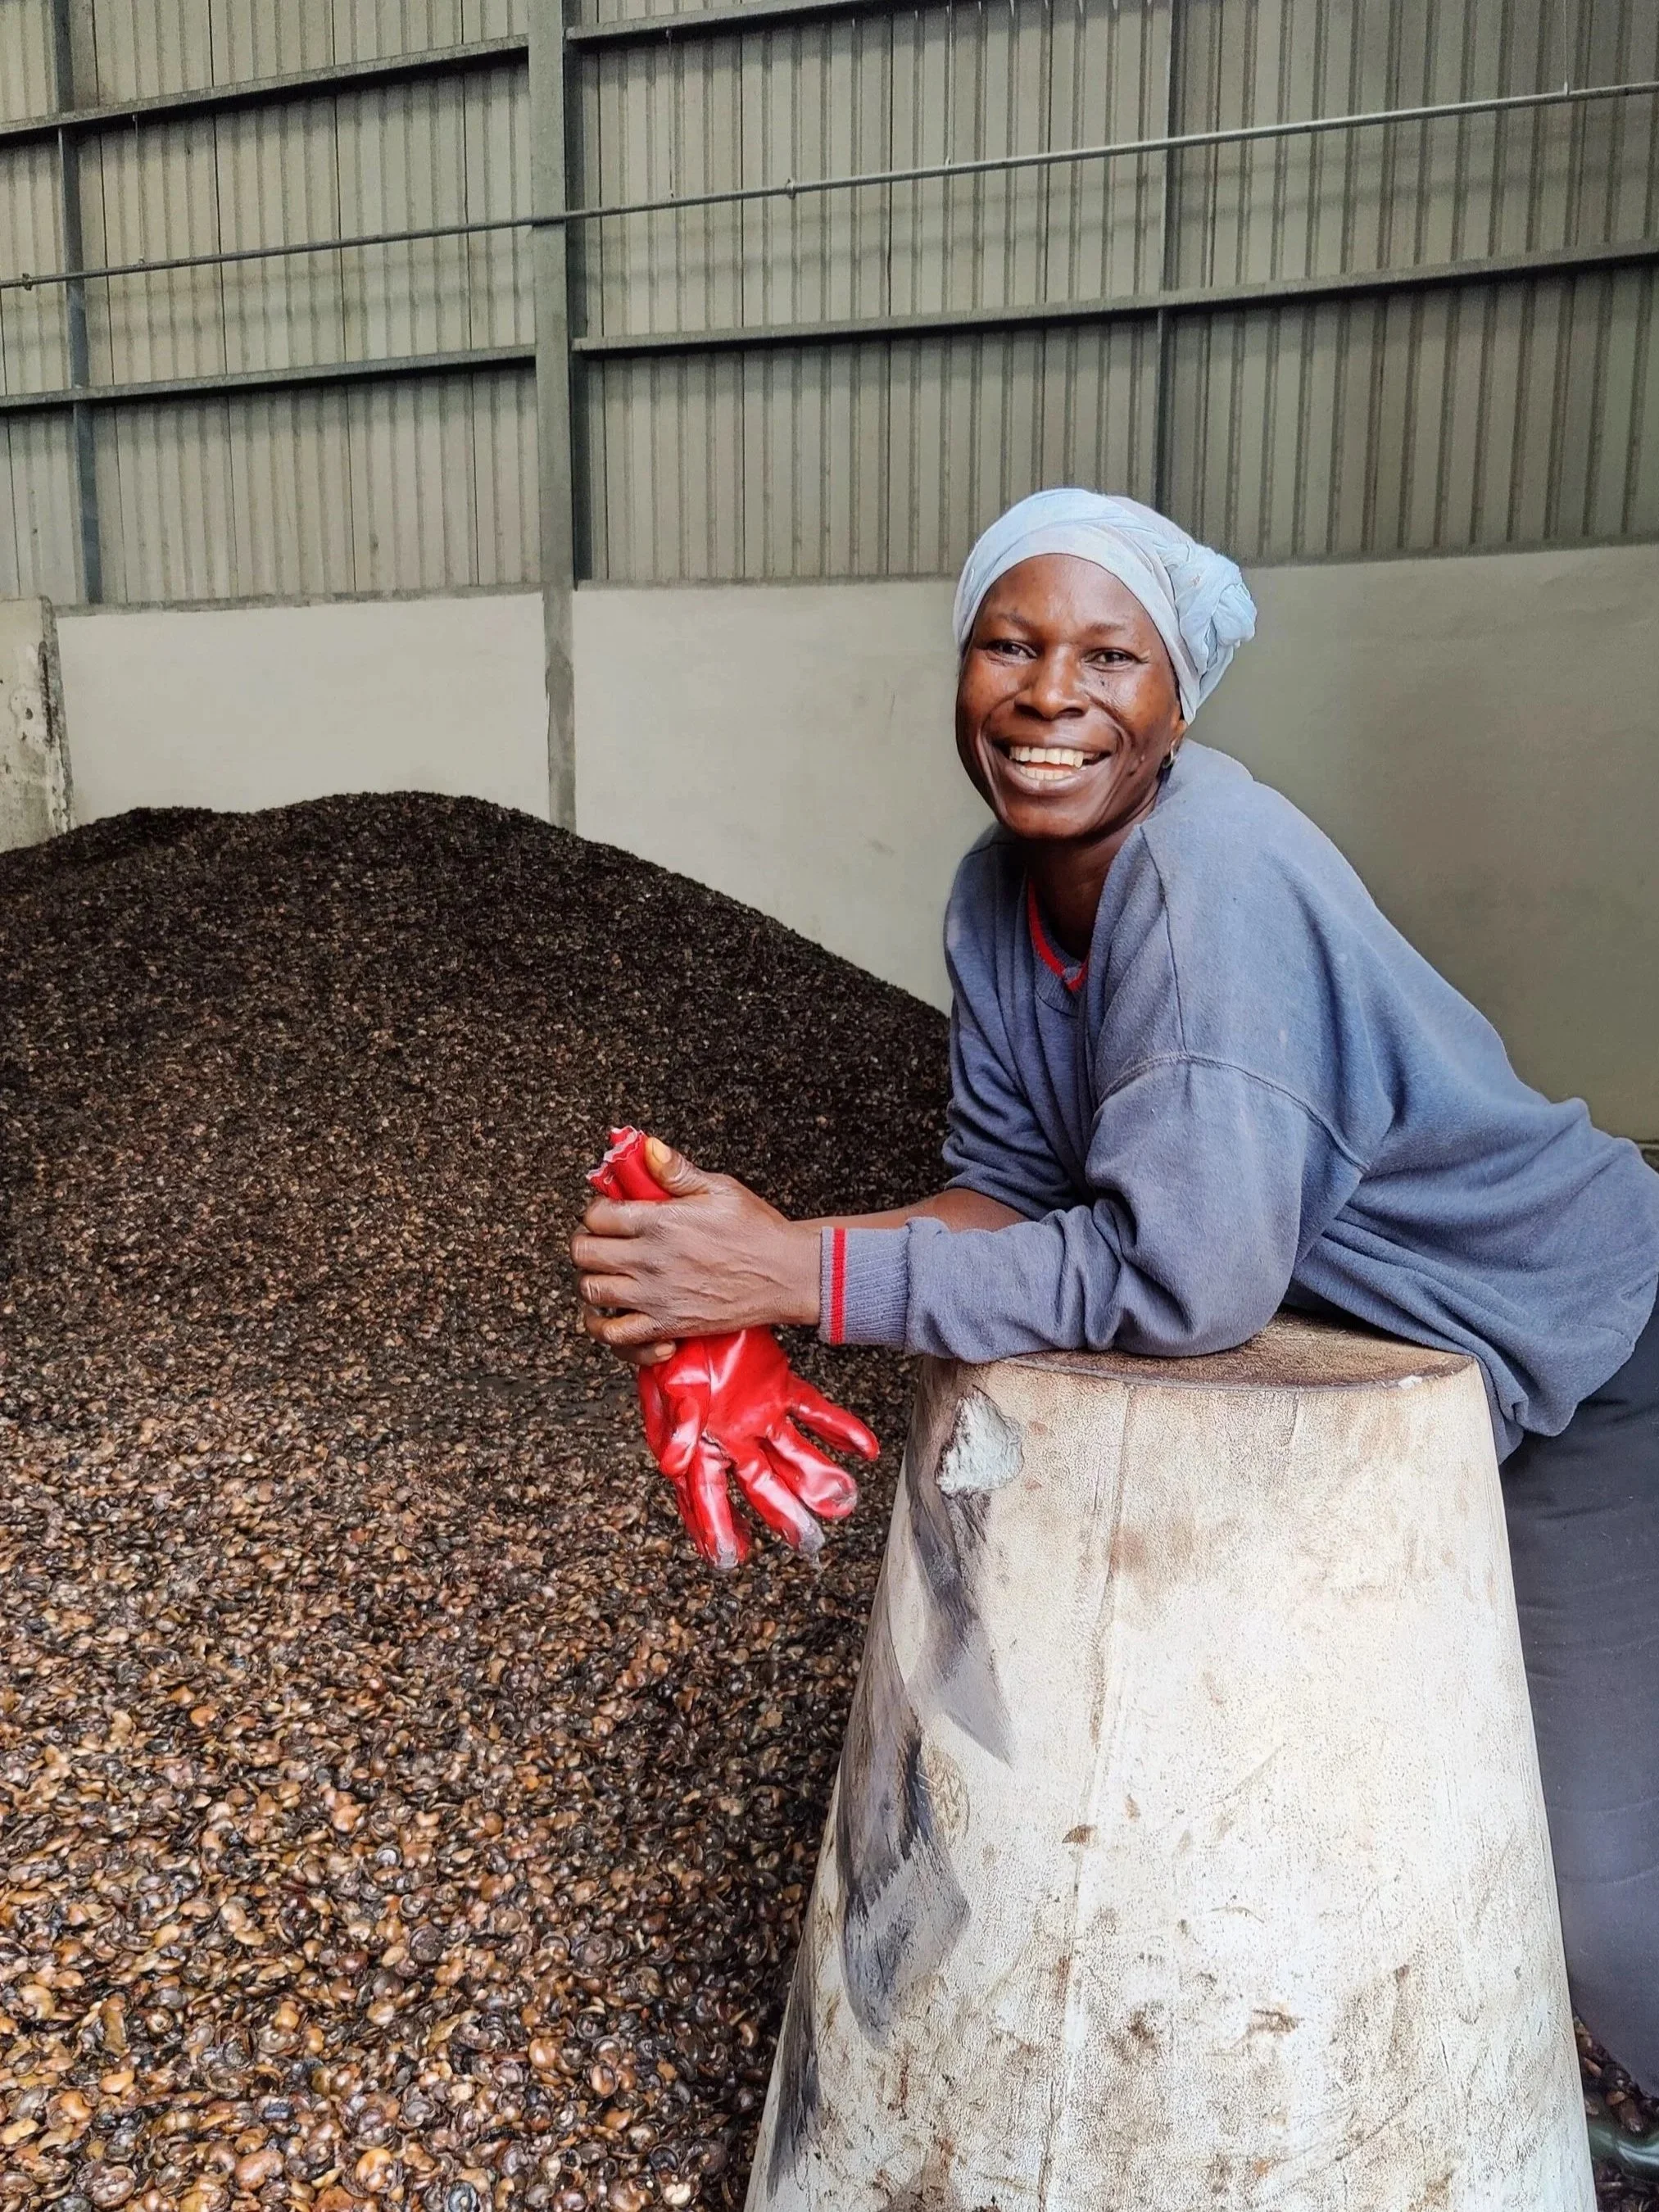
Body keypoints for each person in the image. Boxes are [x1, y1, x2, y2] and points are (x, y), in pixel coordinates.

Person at [570, 487, 1659, 2097]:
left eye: (1106, 656)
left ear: (1177, 698)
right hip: (1365, 1381)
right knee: (1305, 1785)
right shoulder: (992, 899)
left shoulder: (1204, 877)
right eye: (1006, 644)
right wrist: (756, 1260)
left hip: (1577, 1342)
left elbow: (1185, 1282)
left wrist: (805, 1272)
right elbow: (1005, 1189)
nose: (1047, 693)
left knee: (1589, 1868)